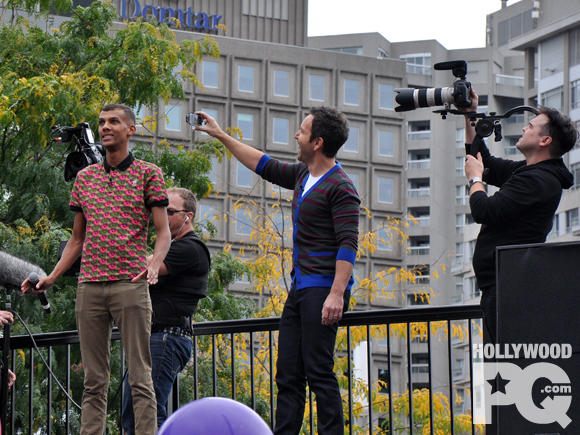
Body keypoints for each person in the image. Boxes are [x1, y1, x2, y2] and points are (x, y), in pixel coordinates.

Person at [196, 106, 360, 435]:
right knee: (287, 374)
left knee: (319, 372)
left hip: (323, 290)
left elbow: (348, 243)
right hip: (299, 289)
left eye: (301, 131)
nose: (296, 135)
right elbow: (263, 164)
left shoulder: (341, 187)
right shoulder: (303, 174)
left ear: (317, 142)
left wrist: (336, 294)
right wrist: (220, 134)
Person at [22, 104, 171, 435]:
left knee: (140, 377)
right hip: (89, 286)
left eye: (114, 122)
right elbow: (76, 240)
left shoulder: (149, 173)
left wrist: (155, 263)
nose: (106, 127)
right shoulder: (85, 178)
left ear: (130, 130)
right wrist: (51, 277)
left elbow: (164, 232)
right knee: (94, 381)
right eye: (102, 122)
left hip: (129, 285)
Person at [462, 88, 577, 344]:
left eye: (531, 126)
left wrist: (475, 179)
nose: (525, 129)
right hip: (504, 285)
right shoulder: (531, 172)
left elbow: (484, 210)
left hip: (508, 288)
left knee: (508, 371)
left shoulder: (538, 180)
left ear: (544, 140)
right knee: (505, 369)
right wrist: (470, 115)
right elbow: (483, 161)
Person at [121, 187, 211, 433]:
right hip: (158, 338)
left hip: (166, 338)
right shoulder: (174, 245)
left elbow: (139, 267)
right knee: (134, 413)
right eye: (159, 210)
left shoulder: (190, 248)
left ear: (187, 216)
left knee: (146, 411)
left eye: (169, 211)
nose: (162, 216)